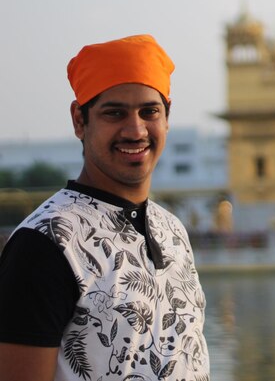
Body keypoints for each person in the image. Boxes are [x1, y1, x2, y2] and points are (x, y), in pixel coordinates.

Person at [0, 35, 210, 381]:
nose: (135, 130)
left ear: (167, 117)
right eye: (114, 113)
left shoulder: (171, 230)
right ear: (80, 121)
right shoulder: (46, 244)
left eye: (149, 111)